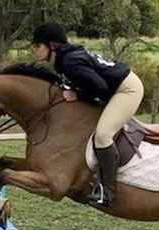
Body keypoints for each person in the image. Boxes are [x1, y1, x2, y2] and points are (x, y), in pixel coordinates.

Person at [32, 22, 144, 206]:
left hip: (126, 90)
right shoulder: (63, 61)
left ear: (51, 46)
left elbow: (101, 88)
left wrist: (78, 95)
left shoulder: (70, 62)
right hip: (114, 88)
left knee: (103, 135)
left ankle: (107, 191)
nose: (36, 51)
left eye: (38, 46)